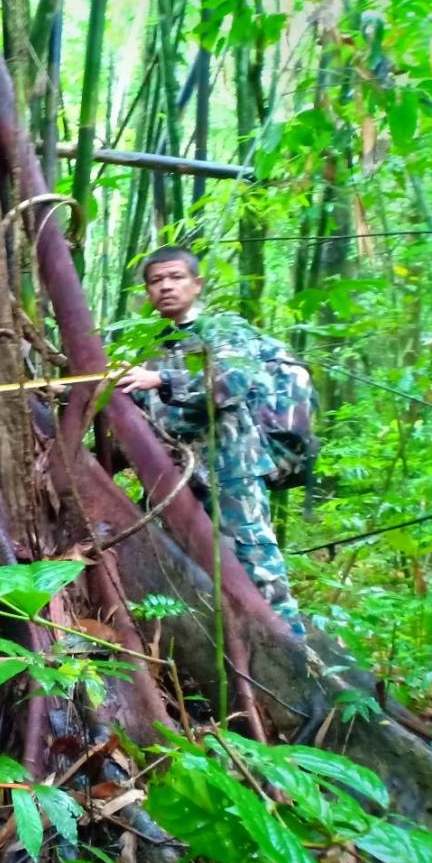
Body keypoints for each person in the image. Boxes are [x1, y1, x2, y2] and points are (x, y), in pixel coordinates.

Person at [116, 246, 302, 633]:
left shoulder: (223, 328)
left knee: (256, 567)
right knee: (183, 568)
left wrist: (163, 380)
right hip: (173, 477)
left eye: (176, 277)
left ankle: (295, 658)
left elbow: (232, 383)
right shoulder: (153, 345)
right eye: (155, 281)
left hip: (229, 471)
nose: (166, 287)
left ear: (197, 284)